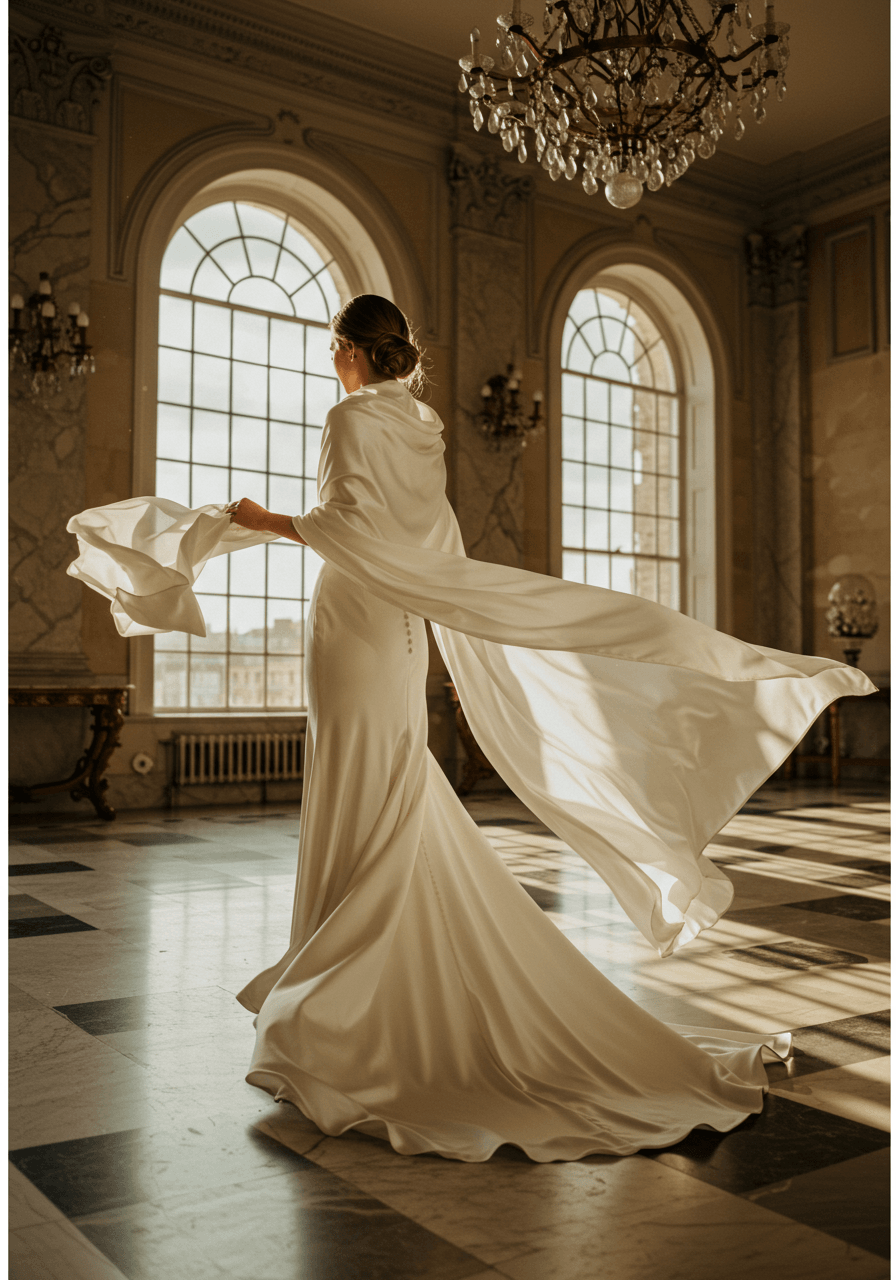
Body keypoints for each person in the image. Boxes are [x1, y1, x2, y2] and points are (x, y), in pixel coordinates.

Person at [67, 294, 874, 1163]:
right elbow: (426, 542)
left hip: (354, 623)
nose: (332, 360)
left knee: (362, 775)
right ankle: (351, 975)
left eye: (333, 348)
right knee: (387, 775)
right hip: (399, 629)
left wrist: (265, 522)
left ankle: (343, 994)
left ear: (349, 351)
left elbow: (346, 529)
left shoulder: (348, 418)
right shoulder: (422, 427)